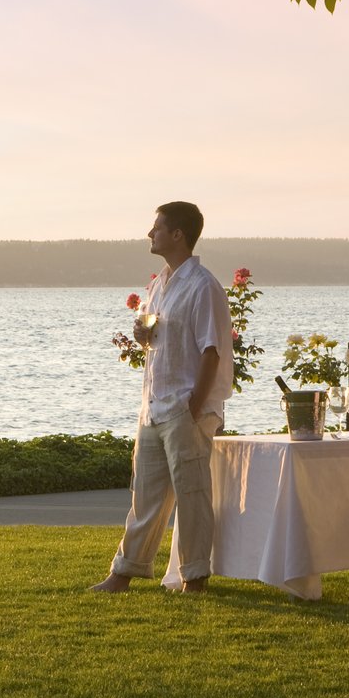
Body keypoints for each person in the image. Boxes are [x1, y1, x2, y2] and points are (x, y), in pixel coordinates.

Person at [92, 201, 232, 594]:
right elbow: (162, 340)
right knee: (146, 494)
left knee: (192, 495)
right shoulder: (159, 285)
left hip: (186, 407)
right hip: (154, 405)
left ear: (177, 235)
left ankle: (196, 578)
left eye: (156, 228)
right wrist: (143, 337)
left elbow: (211, 351)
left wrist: (194, 406)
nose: (149, 234)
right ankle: (124, 572)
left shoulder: (203, 286)